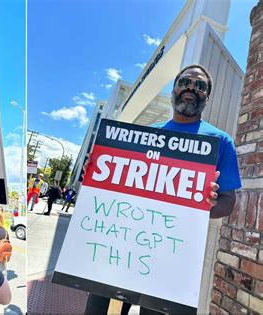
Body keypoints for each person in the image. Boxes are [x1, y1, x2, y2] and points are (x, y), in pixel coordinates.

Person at [84, 64, 241, 315]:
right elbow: (118, 185)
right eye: (185, 82)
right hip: (121, 247)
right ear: (174, 90)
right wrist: (95, 174)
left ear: (207, 97)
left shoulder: (219, 142)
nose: (191, 88)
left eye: (200, 85)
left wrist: (205, 204)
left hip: (171, 259)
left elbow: (228, 201)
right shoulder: (144, 136)